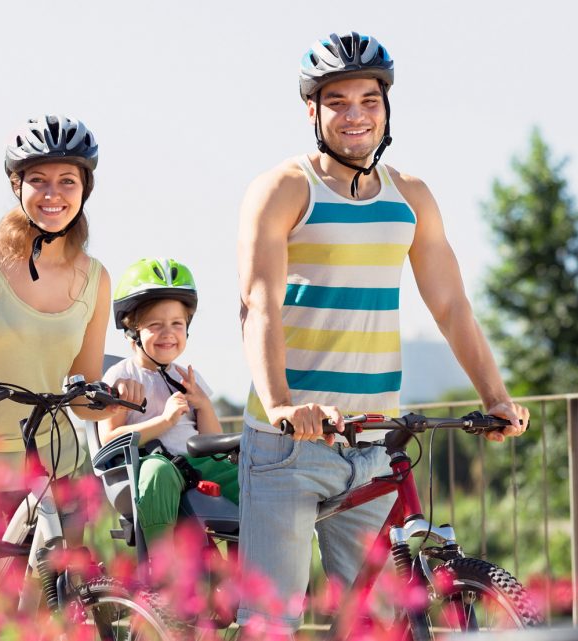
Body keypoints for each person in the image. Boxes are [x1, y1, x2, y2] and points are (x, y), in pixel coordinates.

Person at [235, 31, 530, 635]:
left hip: (372, 441)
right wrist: (283, 404)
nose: (355, 115)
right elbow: (257, 301)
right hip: (288, 441)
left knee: (378, 621)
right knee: (272, 622)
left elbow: (450, 305)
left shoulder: (409, 197)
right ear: (311, 111)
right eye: (338, 101)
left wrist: (495, 397)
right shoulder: (284, 189)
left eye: (369, 100)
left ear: (386, 107)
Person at [0, 114, 144, 637]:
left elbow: (83, 389)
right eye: (39, 179)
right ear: (17, 185)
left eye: (68, 181)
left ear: (85, 189)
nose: (53, 194)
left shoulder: (95, 277)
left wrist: (110, 396)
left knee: (50, 620)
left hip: (54, 470)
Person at [100, 258, 239, 543]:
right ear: (132, 332)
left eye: (177, 323)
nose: (168, 333)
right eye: (155, 325)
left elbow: (211, 441)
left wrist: (203, 404)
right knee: (157, 471)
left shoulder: (188, 376)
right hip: (155, 464)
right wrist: (164, 421)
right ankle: (160, 569)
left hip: (197, 463)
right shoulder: (122, 375)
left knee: (250, 479)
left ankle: (254, 570)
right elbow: (110, 437)